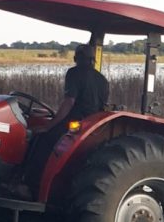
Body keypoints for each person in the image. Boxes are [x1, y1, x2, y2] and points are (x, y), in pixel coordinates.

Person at [25, 44, 109, 190]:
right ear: (93, 60)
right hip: (91, 126)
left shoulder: (74, 73)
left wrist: (48, 126)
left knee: (41, 139)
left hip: (75, 123)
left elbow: (69, 102)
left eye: (76, 57)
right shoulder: (102, 80)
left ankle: (29, 184)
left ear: (77, 58)